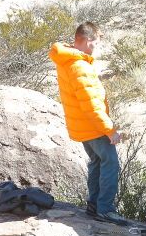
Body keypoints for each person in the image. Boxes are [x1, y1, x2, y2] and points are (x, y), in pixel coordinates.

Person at [50, 22, 124, 224]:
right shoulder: (79, 65)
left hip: (82, 126)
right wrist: (109, 130)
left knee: (97, 162)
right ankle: (105, 209)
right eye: (96, 43)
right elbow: (91, 104)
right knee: (110, 163)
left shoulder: (67, 60)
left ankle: (94, 205)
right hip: (93, 126)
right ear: (87, 41)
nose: (97, 48)